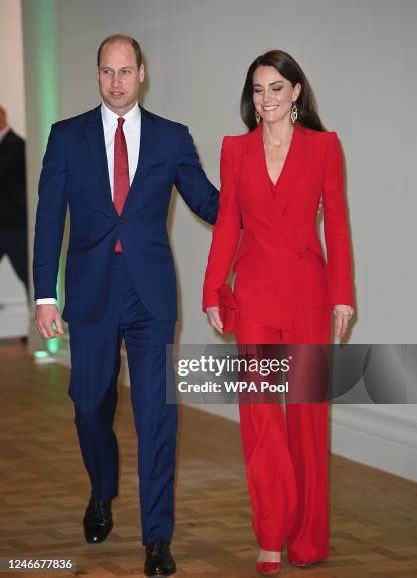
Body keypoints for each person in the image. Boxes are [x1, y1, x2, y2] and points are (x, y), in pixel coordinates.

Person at [33, 34, 219, 577]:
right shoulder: (66, 137)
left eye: (125, 71)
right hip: (90, 290)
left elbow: (207, 201)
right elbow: (49, 219)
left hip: (150, 293)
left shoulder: (171, 138)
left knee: (156, 415)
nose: (117, 81)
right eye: (107, 72)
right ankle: (102, 489)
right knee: (89, 403)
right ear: (97, 75)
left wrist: (260, 199)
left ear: (142, 73)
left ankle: (157, 537)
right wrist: (47, 294)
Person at [203, 50, 354, 575]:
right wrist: (212, 288)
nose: (264, 99)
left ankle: (308, 539)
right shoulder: (235, 149)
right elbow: (227, 224)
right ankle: (271, 534)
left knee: (308, 422)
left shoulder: (324, 147)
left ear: (295, 92)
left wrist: (343, 293)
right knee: (262, 419)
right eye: (257, 89)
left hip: (311, 295)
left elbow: (336, 222)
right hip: (256, 299)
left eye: (274, 88)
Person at [0, 106, 28, 296]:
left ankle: (45, 317)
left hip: (14, 223)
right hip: (3, 224)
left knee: (26, 273)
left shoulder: (17, 145)